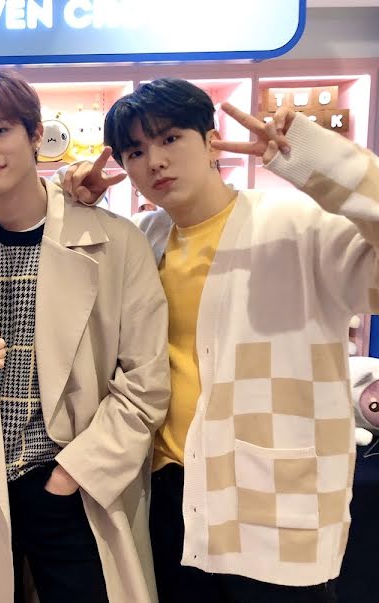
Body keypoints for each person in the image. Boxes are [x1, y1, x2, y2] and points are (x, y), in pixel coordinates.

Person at [82, 77, 371, 602]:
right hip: (173, 493)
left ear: (211, 140)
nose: (155, 162)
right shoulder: (144, 238)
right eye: (136, 151)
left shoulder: (300, 227)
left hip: (275, 501)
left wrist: (317, 161)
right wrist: (73, 206)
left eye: (170, 138)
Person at [0, 70, 171, 603]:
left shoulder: (115, 243)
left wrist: (72, 474)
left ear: (35, 133)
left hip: (74, 481)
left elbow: (146, 381)